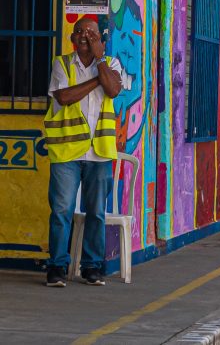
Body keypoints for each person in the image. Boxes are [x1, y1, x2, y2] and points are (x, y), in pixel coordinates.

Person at [44, 17, 125, 287]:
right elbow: (64, 97)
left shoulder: (111, 64)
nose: (85, 37)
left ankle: (91, 267)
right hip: (66, 152)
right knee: (61, 210)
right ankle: (56, 267)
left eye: (91, 33)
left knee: (96, 212)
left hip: (99, 152)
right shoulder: (62, 64)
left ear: (100, 41)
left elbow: (112, 90)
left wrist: (100, 63)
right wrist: (96, 82)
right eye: (79, 32)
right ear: (72, 39)